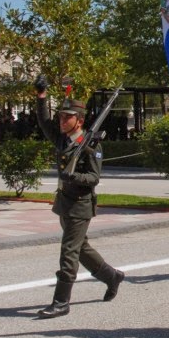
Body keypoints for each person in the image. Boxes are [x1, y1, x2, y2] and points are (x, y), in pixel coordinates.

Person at [34, 79, 124, 318]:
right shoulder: (63, 140)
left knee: (69, 251)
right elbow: (44, 122)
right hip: (64, 202)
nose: (62, 121)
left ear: (80, 121)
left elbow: (94, 177)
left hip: (80, 206)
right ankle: (112, 276)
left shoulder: (91, 145)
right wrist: (41, 96)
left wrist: (73, 176)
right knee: (81, 248)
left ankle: (61, 301)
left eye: (67, 118)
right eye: (61, 117)